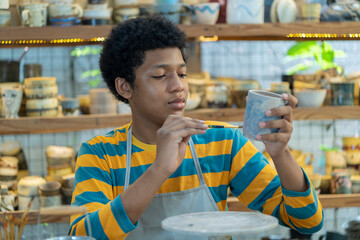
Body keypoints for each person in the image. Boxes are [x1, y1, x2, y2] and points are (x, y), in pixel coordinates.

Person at [69, 16, 324, 239]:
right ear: (125, 87)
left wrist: (281, 154)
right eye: (160, 75)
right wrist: (159, 169)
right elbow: (84, 235)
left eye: (182, 74)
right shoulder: (100, 155)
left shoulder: (222, 142)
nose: (177, 86)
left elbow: (306, 222)